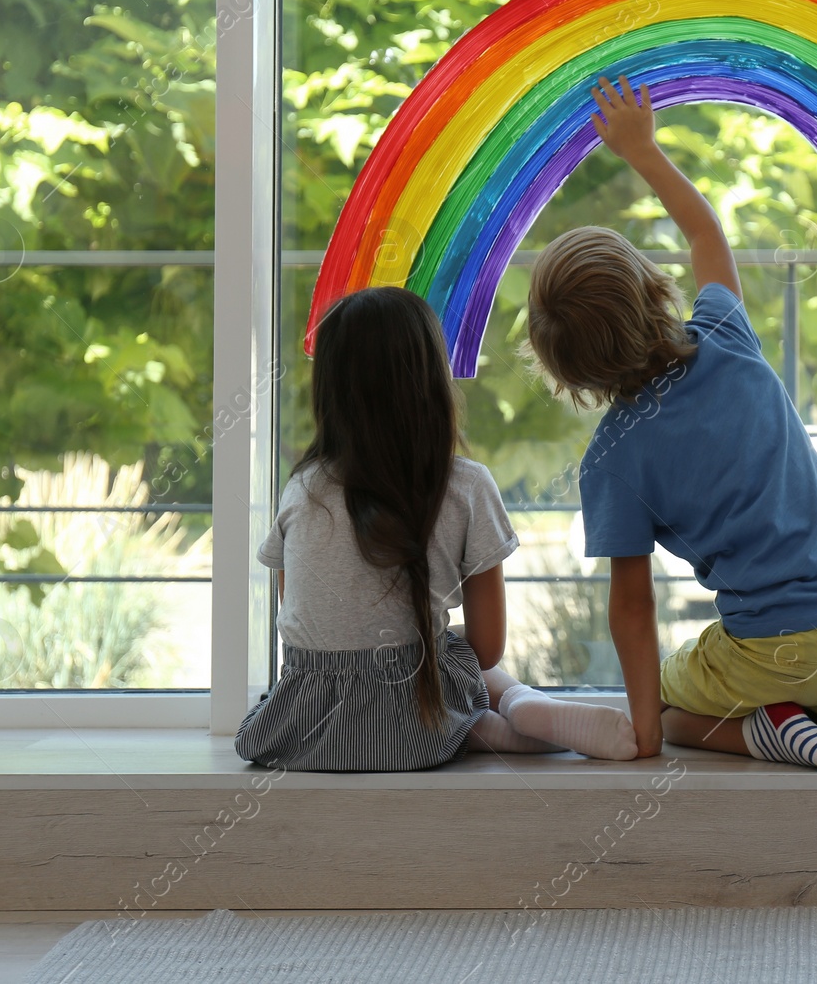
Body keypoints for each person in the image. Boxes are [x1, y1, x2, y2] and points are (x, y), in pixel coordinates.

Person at [524, 76, 817, 771]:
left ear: (573, 375)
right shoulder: (725, 335)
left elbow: (633, 609)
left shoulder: (612, 458)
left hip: (778, 663)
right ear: (654, 286)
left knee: (680, 702)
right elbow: (704, 230)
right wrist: (640, 150)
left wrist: (647, 728)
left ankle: (774, 735)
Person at [236, 286, 637, 771]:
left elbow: (306, 620)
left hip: (309, 729)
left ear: (329, 390)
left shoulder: (302, 488)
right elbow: (488, 647)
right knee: (451, 652)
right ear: (433, 381)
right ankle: (515, 708)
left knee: (423, 643)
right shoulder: (466, 485)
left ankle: (480, 724)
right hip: (412, 723)